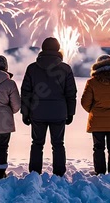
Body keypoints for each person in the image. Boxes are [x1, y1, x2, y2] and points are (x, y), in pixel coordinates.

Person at [21, 37, 77, 177]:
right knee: (58, 144)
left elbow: (26, 92)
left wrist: (25, 112)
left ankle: (34, 172)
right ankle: (59, 173)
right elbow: (71, 93)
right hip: (59, 113)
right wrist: (71, 113)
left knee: (37, 143)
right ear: (58, 49)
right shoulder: (65, 69)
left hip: (37, 112)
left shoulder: (32, 68)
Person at [81, 54, 110, 175]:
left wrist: (94, 111)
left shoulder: (91, 82)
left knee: (98, 147)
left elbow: (85, 102)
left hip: (97, 120)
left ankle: (100, 171)